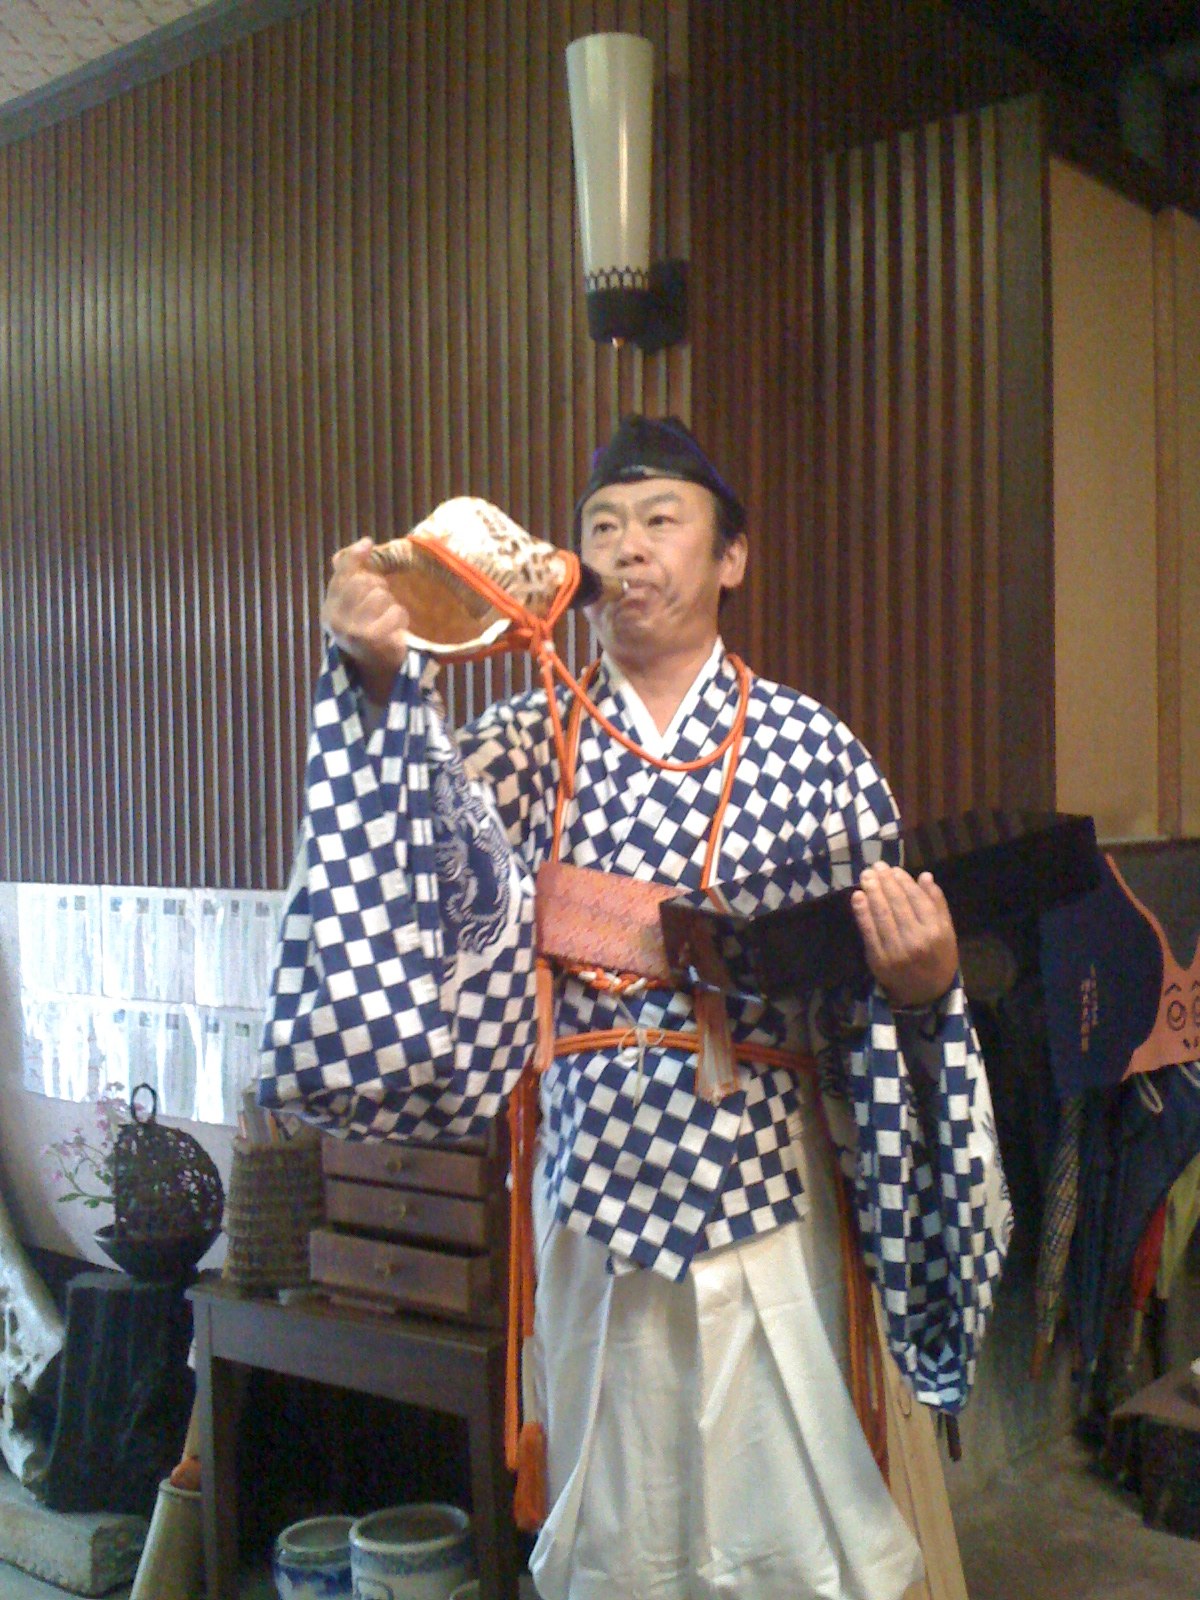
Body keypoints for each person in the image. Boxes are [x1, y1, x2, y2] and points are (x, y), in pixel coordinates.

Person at [259, 415, 1011, 1600]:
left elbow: (872, 996)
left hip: (765, 1184)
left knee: (787, 1530)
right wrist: (378, 676)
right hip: (588, 1187)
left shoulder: (814, 752)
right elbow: (416, 876)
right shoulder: (525, 742)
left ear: (731, 556)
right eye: (603, 526)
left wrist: (923, 992)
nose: (629, 548)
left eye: (663, 520)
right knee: (617, 1537)